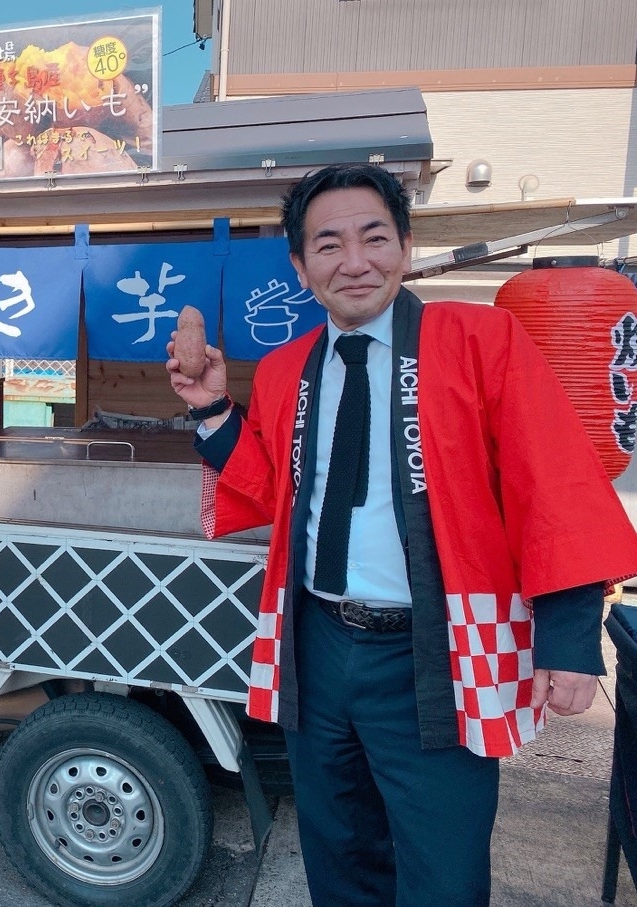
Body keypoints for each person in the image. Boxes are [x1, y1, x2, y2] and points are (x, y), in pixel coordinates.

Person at [168, 163, 637, 906]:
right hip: (316, 645)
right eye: (327, 244)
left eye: (373, 237)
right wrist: (212, 410)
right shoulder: (290, 367)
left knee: (441, 864)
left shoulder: (481, 339)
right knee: (338, 847)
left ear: (407, 246)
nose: (353, 261)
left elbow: (552, 482)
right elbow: (270, 487)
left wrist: (569, 638)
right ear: (300, 265)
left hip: (437, 649)